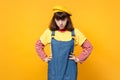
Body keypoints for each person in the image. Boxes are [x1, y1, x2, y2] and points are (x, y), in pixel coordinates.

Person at [35, 6, 93, 80]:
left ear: (67, 19)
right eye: (58, 19)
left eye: (63, 19)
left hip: (70, 69)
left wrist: (78, 59)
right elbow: (38, 45)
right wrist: (45, 58)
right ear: (54, 20)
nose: (60, 23)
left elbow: (89, 47)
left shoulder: (75, 33)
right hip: (54, 68)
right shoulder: (49, 32)